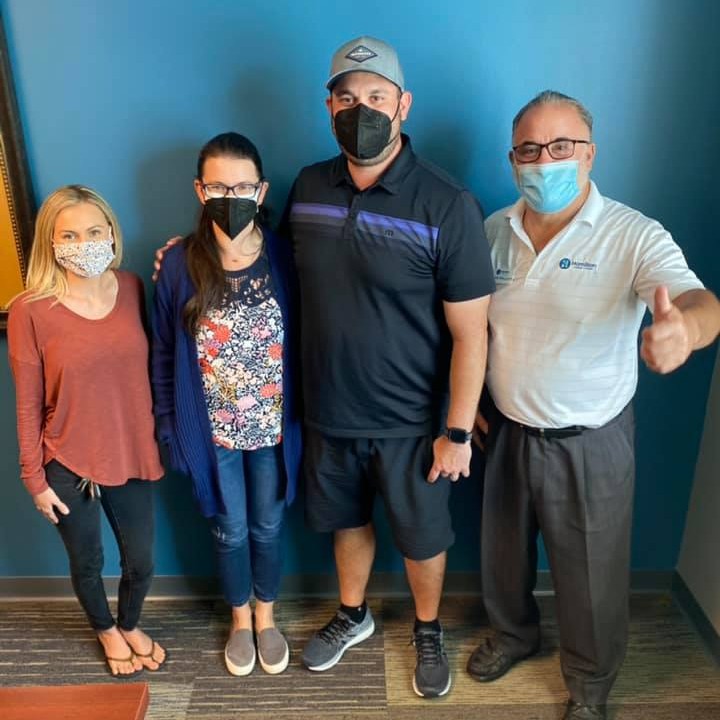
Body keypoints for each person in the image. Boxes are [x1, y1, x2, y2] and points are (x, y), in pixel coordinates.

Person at [467, 90, 720, 720]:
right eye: (529, 149)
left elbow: (700, 301)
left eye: (562, 146)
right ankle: (514, 636)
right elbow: (471, 328)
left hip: (591, 440)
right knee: (502, 557)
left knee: (591, 575)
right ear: (512, 159)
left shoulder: (634, 235)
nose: (544, 161)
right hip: (507, 429)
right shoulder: (492, 232)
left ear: (590, 154)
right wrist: (465, 399)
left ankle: (589, 685)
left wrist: (685, 330)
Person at [282, 36, 495, 698]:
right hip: (328, 411)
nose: (361, 110)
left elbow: (471, 333)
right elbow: (268, 265)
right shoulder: (307, 187)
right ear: (329, 107)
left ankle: (427, 628)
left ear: (403, 105)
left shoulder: (447, 203)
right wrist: (188, 253)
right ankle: (354, 614)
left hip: (413, 423)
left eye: (377, 96)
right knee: (347, 522)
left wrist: (456, 431)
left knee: (422, 538)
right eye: (347, 98)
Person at [151, 132, 301, 677]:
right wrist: (168, 427)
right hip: (212, 434)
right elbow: (162, 353)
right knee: (230, 529)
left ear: (261, 191)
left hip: (273, 431)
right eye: (218, 186)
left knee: (268, 526)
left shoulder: (286, 256)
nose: (230, 197)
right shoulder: (178, 265)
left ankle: (266, 616)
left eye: (242, 186)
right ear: (200, 190)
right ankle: (240, 620)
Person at [7, 185, 166, 678]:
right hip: (66, 460)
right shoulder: (30, 309)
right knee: (88, 561)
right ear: (51, 243)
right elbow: (27, 401)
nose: (84, 243)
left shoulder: (133, 288)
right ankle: (106, 630)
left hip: (133, 450)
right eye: (70, 235)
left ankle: (130, 623)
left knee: (142, 560)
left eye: (94, 231)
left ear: (112, 233)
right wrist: (34, 478)